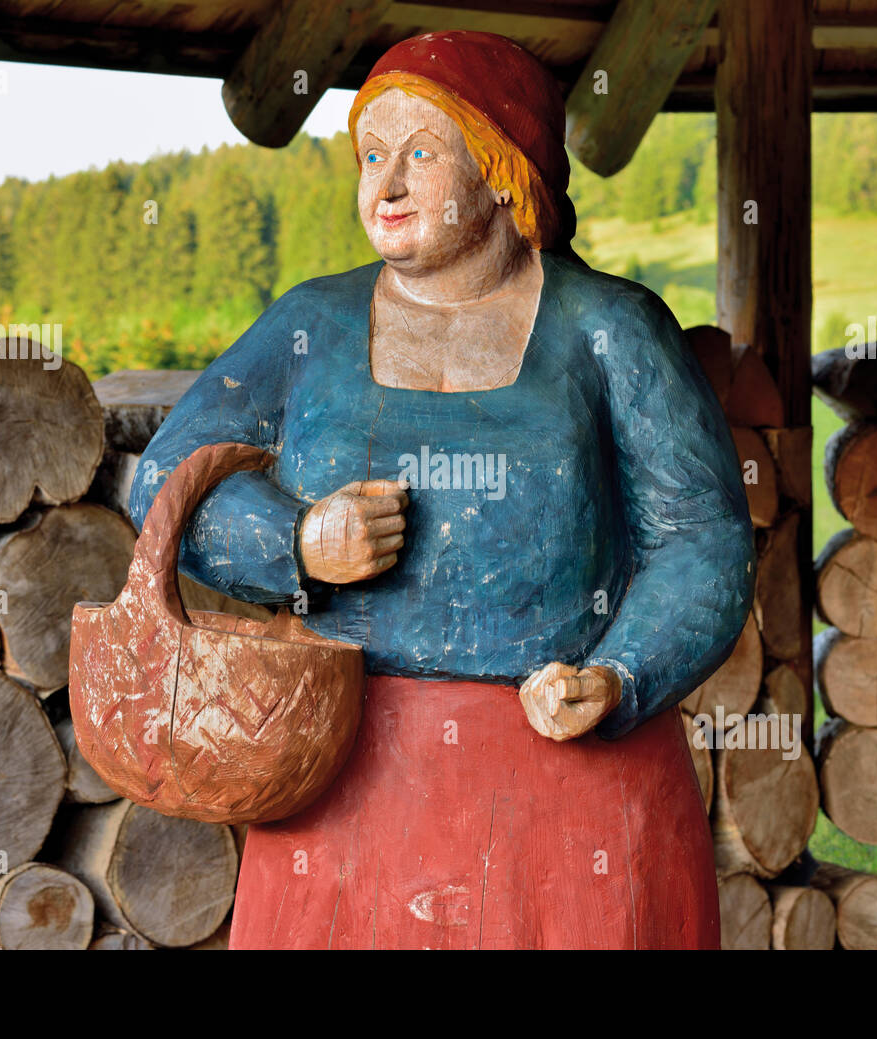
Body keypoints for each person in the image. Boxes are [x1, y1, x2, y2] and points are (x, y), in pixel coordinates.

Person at [130, 30, 755, 949]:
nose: (382, 186)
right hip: (342, 776)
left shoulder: (611, 329)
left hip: (572, 783)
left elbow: (703, 537)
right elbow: (163, 483)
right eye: (371, 155)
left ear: (504, 171)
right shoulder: (312, 321)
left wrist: (617, 676)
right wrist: (296, 544)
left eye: (420, 154)